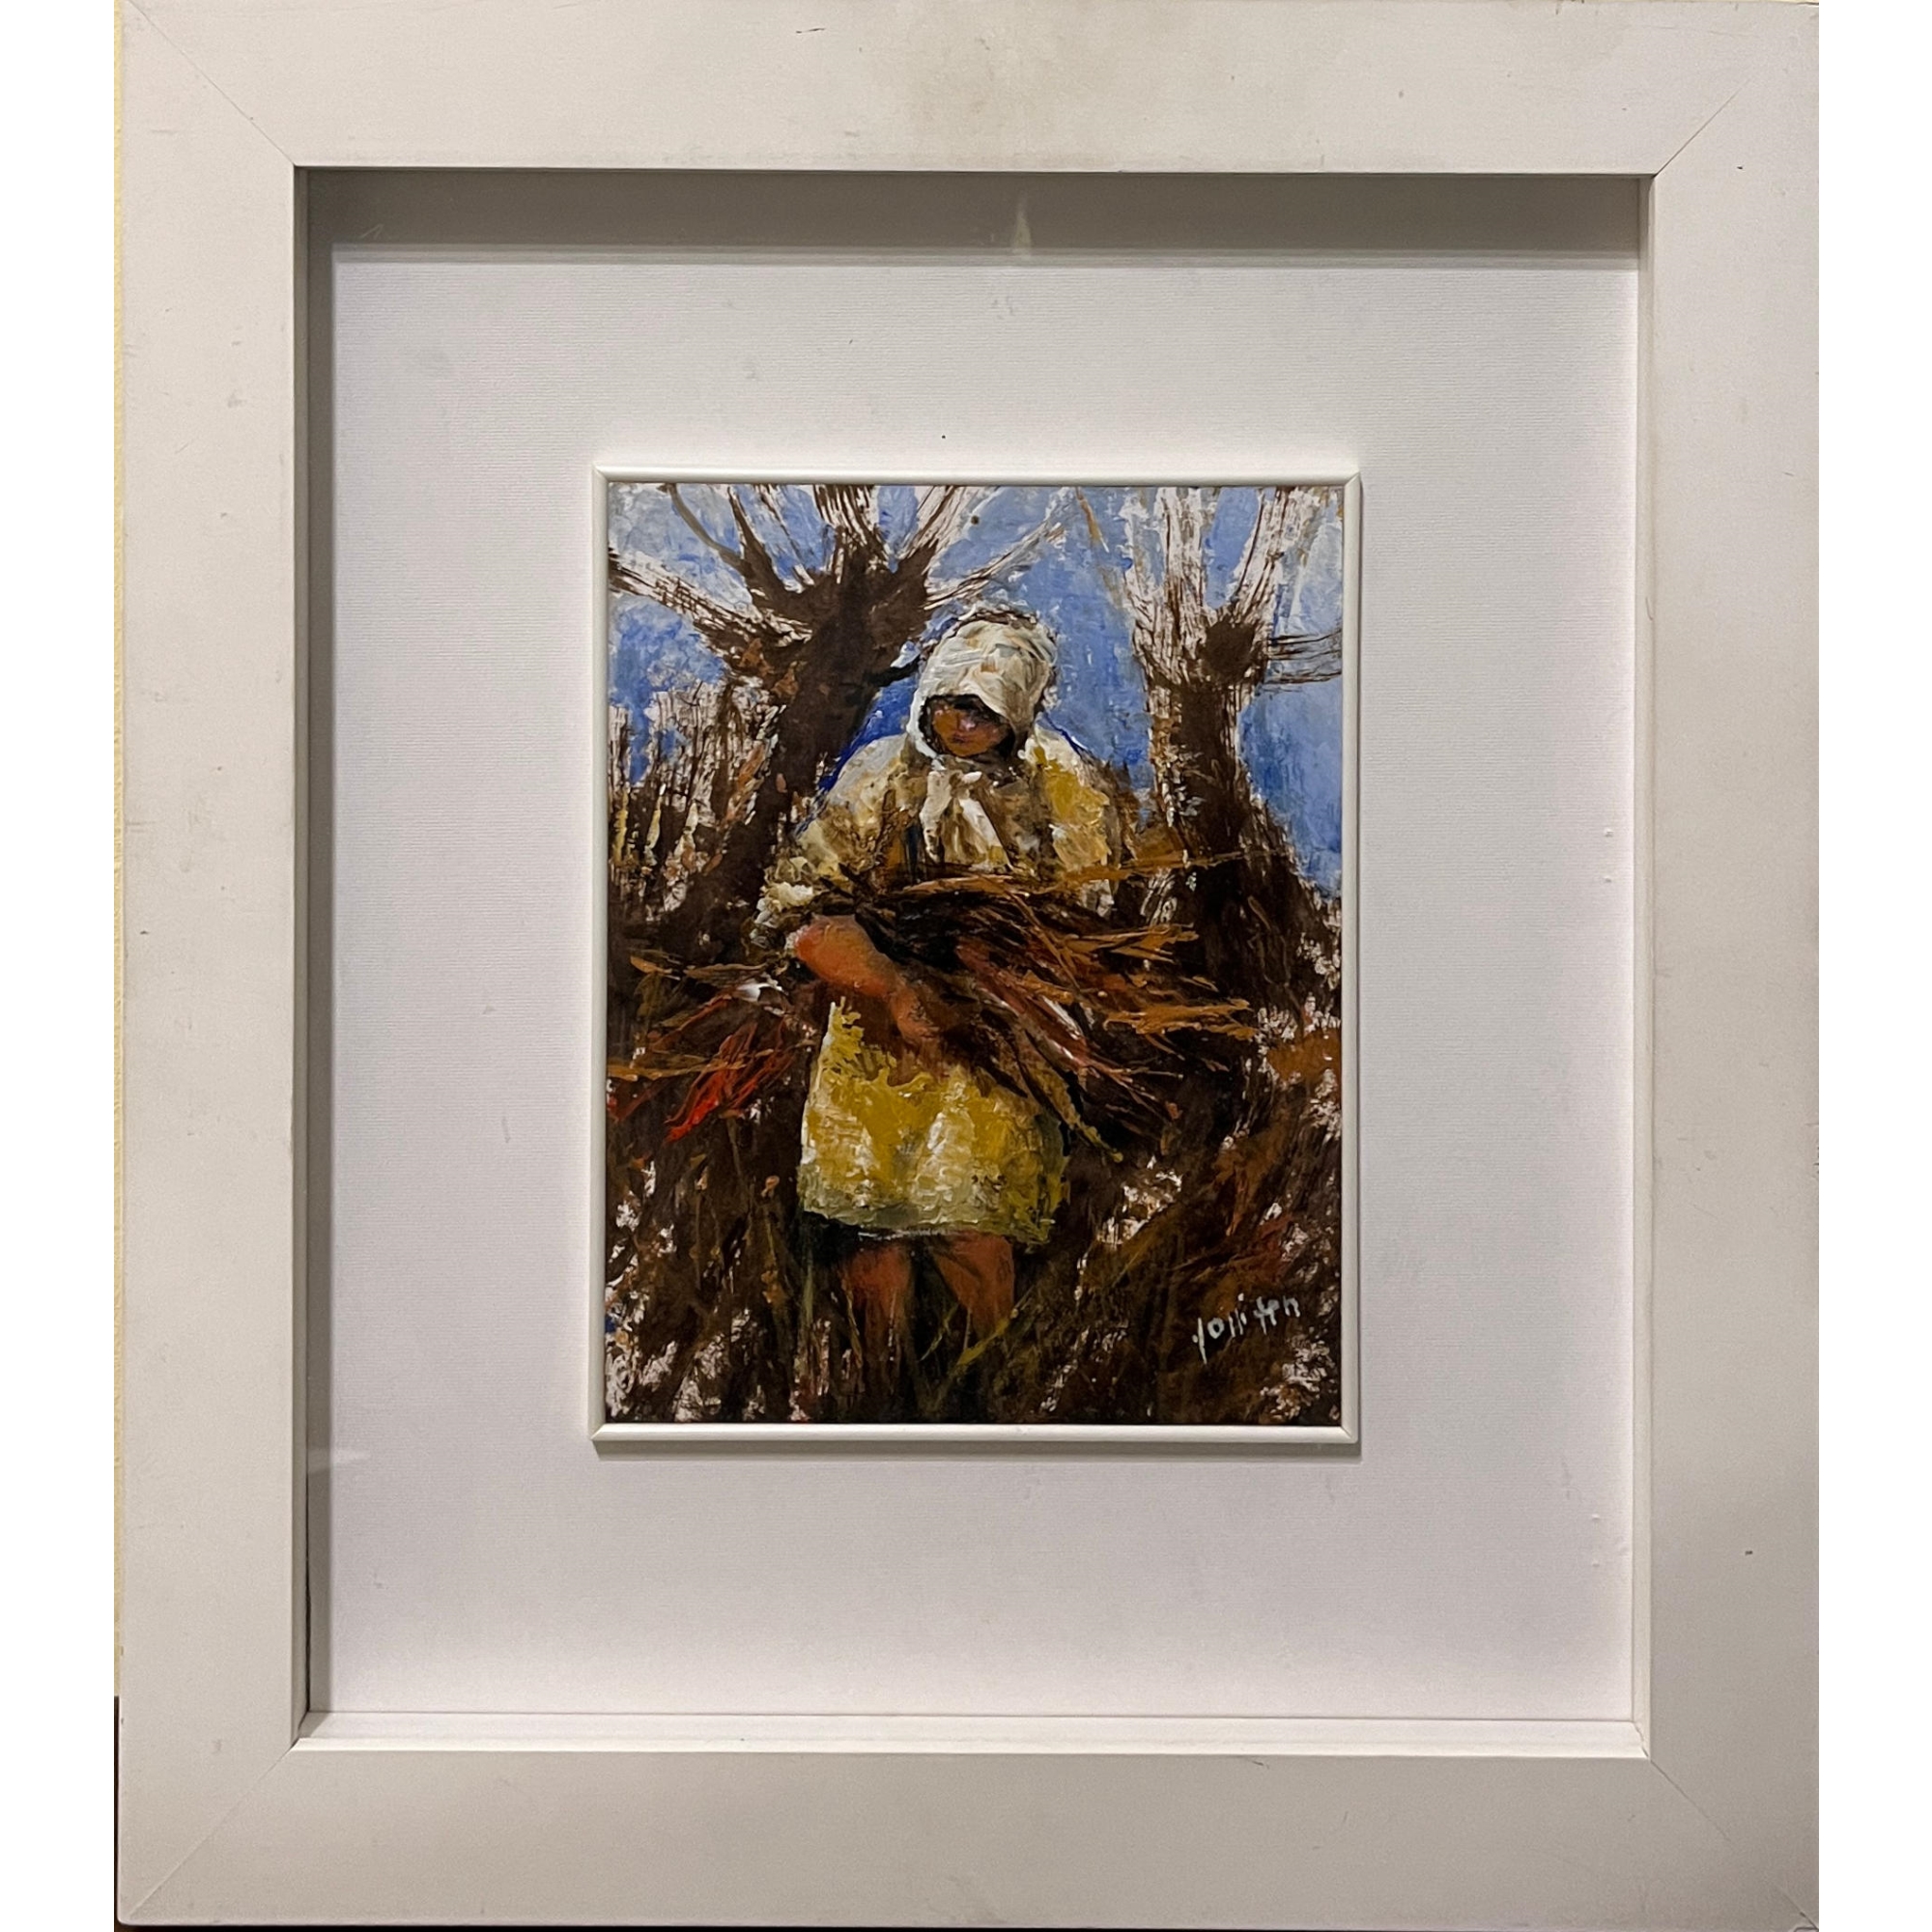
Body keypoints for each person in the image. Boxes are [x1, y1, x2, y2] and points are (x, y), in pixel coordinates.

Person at [755, 611, 1123, 1362]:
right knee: (867, 1219)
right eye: (952, 704)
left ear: (1018, 712)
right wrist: (891, 985)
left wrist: (992, 980)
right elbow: (802, 901)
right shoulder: (880, 775)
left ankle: (985, 1382)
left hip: (992, 1037)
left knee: (973, 1215)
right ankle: (877, 1380)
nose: (963, 725)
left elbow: (1084, 905)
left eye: (984, 712)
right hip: (875, 1037)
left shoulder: (1061, 784)